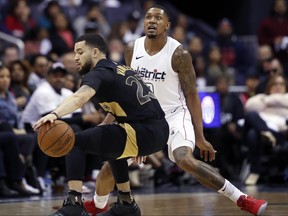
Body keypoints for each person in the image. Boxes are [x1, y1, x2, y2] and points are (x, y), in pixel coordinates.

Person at [84, 5, 268, 216]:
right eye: (148, 17)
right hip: (144, 119)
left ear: (167, 26)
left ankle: (242, 199)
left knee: (184, 159)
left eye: (158, 18)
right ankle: (98, 206)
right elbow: (128, 93)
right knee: (111, 164)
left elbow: (192, 95)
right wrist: (120, 125)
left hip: (174, 116)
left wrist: (200, 137)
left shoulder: (179, 53)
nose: (152, 21)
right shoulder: (132, 49)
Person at [32, 33, 169, 216]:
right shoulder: (117, 68)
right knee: (111, 142)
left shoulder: (98, 73)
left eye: (80, 52)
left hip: (144, 130)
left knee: (74, 142)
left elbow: (80, 97)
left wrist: (55, 113)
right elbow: (118, 108)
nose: (75, 57)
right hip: (154, 129)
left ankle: (74, 204)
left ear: (95, 52)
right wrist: (109, 130)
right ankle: (126, 205)